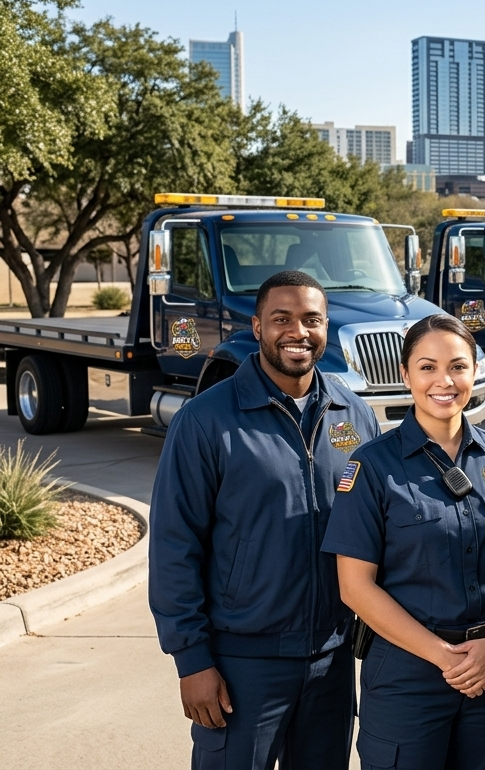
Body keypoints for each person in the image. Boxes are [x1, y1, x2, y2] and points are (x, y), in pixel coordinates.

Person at [149, 270, 379, 770]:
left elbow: (376, 530)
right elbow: (174, 545)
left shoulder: (354, 415)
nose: (298, 331)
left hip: (331, 660)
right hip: (241, 666)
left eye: (311, 319)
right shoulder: (206, 421)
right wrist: (193, 661)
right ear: (256, 327)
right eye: (282, 319)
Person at [321, 314, 485, 770]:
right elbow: (355, 587)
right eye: (427, 367)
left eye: (458, 366)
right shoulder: (372, 466)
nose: (444, 381)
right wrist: (445, 658)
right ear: (405, 375)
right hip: (407, 675)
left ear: (475, 371)